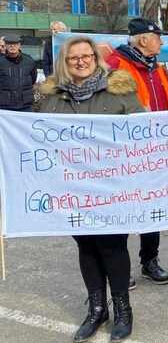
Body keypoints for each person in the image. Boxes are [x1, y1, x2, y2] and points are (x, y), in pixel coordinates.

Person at [39, 36, 144, 342]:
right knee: (86, 246)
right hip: (72, 190)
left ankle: (123, 309)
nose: (81, 61)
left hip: (114, 187)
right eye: (74, 58)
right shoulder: (53, 98)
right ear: (65, 63)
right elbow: (39, 141)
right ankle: (97, 309)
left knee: (112, 247)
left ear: (96, 59)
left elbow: (143, 134)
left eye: (87, 56)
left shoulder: (121, 92)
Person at [106, 17, 168, 288]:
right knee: (122, 208)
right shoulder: (116, 66)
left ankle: (149, 260)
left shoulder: (158, 69)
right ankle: (119, 265)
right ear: (143, 39)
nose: (161, 41)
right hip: (125, 154)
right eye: (157, 36)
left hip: (155, 152)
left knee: (153, 206)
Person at [0, 33, 37, 112]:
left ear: (19, 45)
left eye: (15, 43)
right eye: (9, 43)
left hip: (25, 105)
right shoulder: (0, 61)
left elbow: (33, 79)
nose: (12, 46)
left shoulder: (29, 61)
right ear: (5, 46)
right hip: (4, 105)